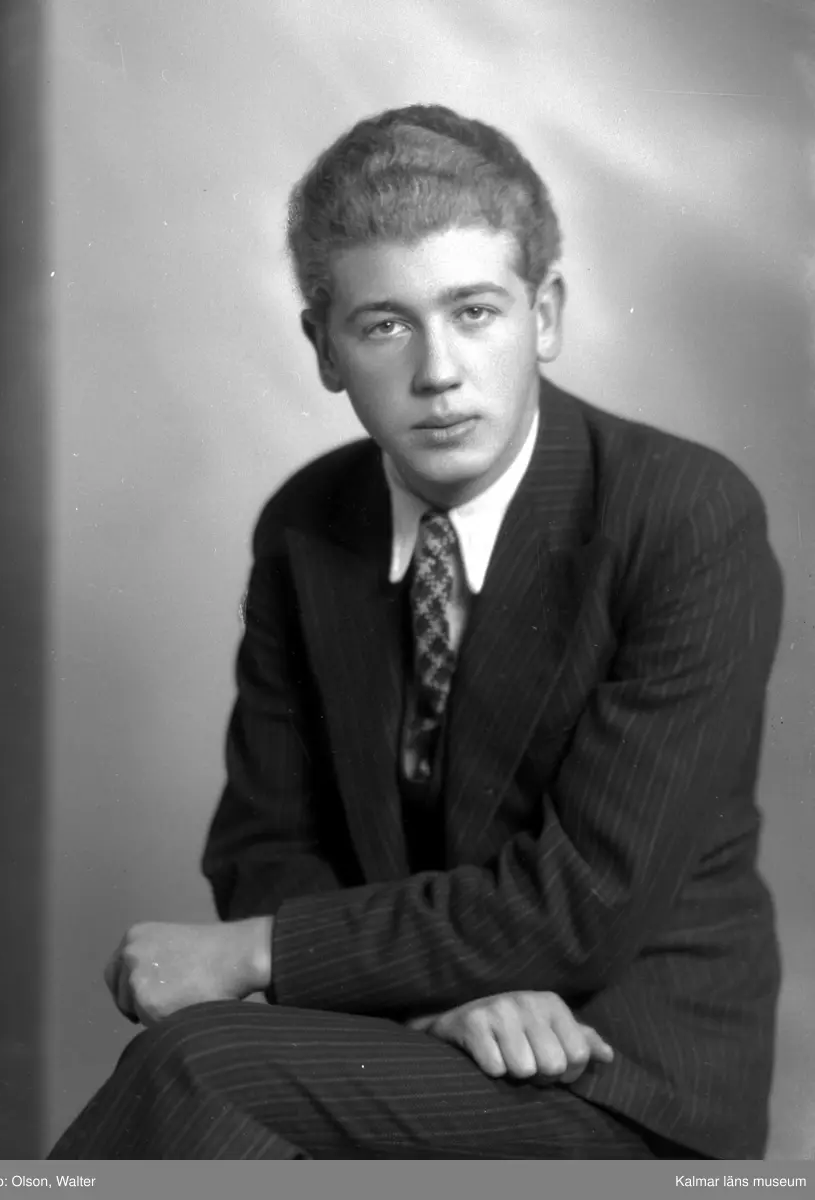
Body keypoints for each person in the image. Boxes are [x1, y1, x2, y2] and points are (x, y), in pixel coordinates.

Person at [48, 104, 783, 1161]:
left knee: (199, 1065)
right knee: (208, 1090)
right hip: (418, 1036)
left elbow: (583, 902)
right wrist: (427, 1005)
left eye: (474, 312)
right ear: (323, 347)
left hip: (613, 1068)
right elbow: (267, 841)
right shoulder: (306, 524)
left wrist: (256, 954)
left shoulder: (683, 516)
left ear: (545, 315)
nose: (438, 371)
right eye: (385, 325)